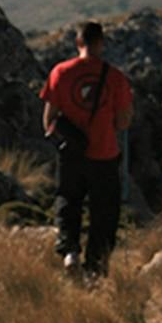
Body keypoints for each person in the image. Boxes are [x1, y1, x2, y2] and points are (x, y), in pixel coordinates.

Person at [40, 21, 134, 278]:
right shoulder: (116, 78)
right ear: (101, 44)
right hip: (104, 154)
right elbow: (124, 122)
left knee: (68, 201)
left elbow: (48, 119)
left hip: (71, 154)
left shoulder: (60, 72)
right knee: (104, 212)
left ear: (78, 43)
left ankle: (70, 252)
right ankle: (95, 270)